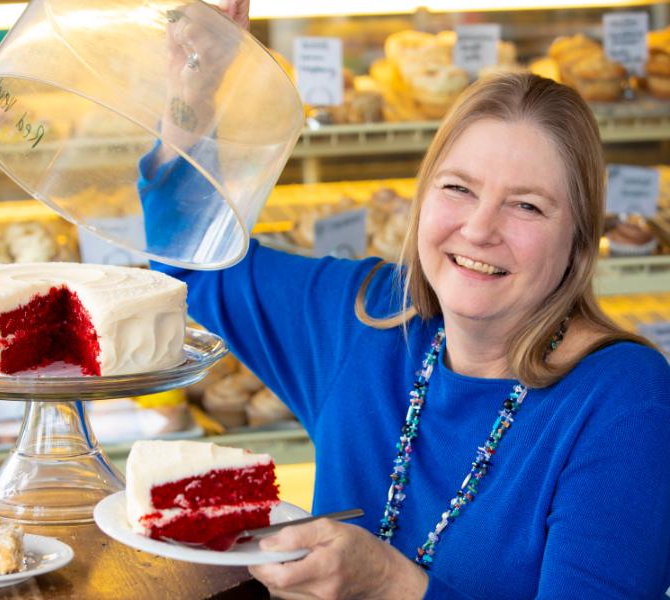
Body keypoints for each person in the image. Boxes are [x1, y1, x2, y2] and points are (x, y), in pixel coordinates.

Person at [140, 3, 670, 598]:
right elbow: (188, 258)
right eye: (457, 188)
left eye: (527, 205)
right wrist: (197, 88)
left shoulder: (626, 402)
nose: (478, 228)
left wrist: (391, 584)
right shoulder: (366, 317)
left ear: (578, 241)